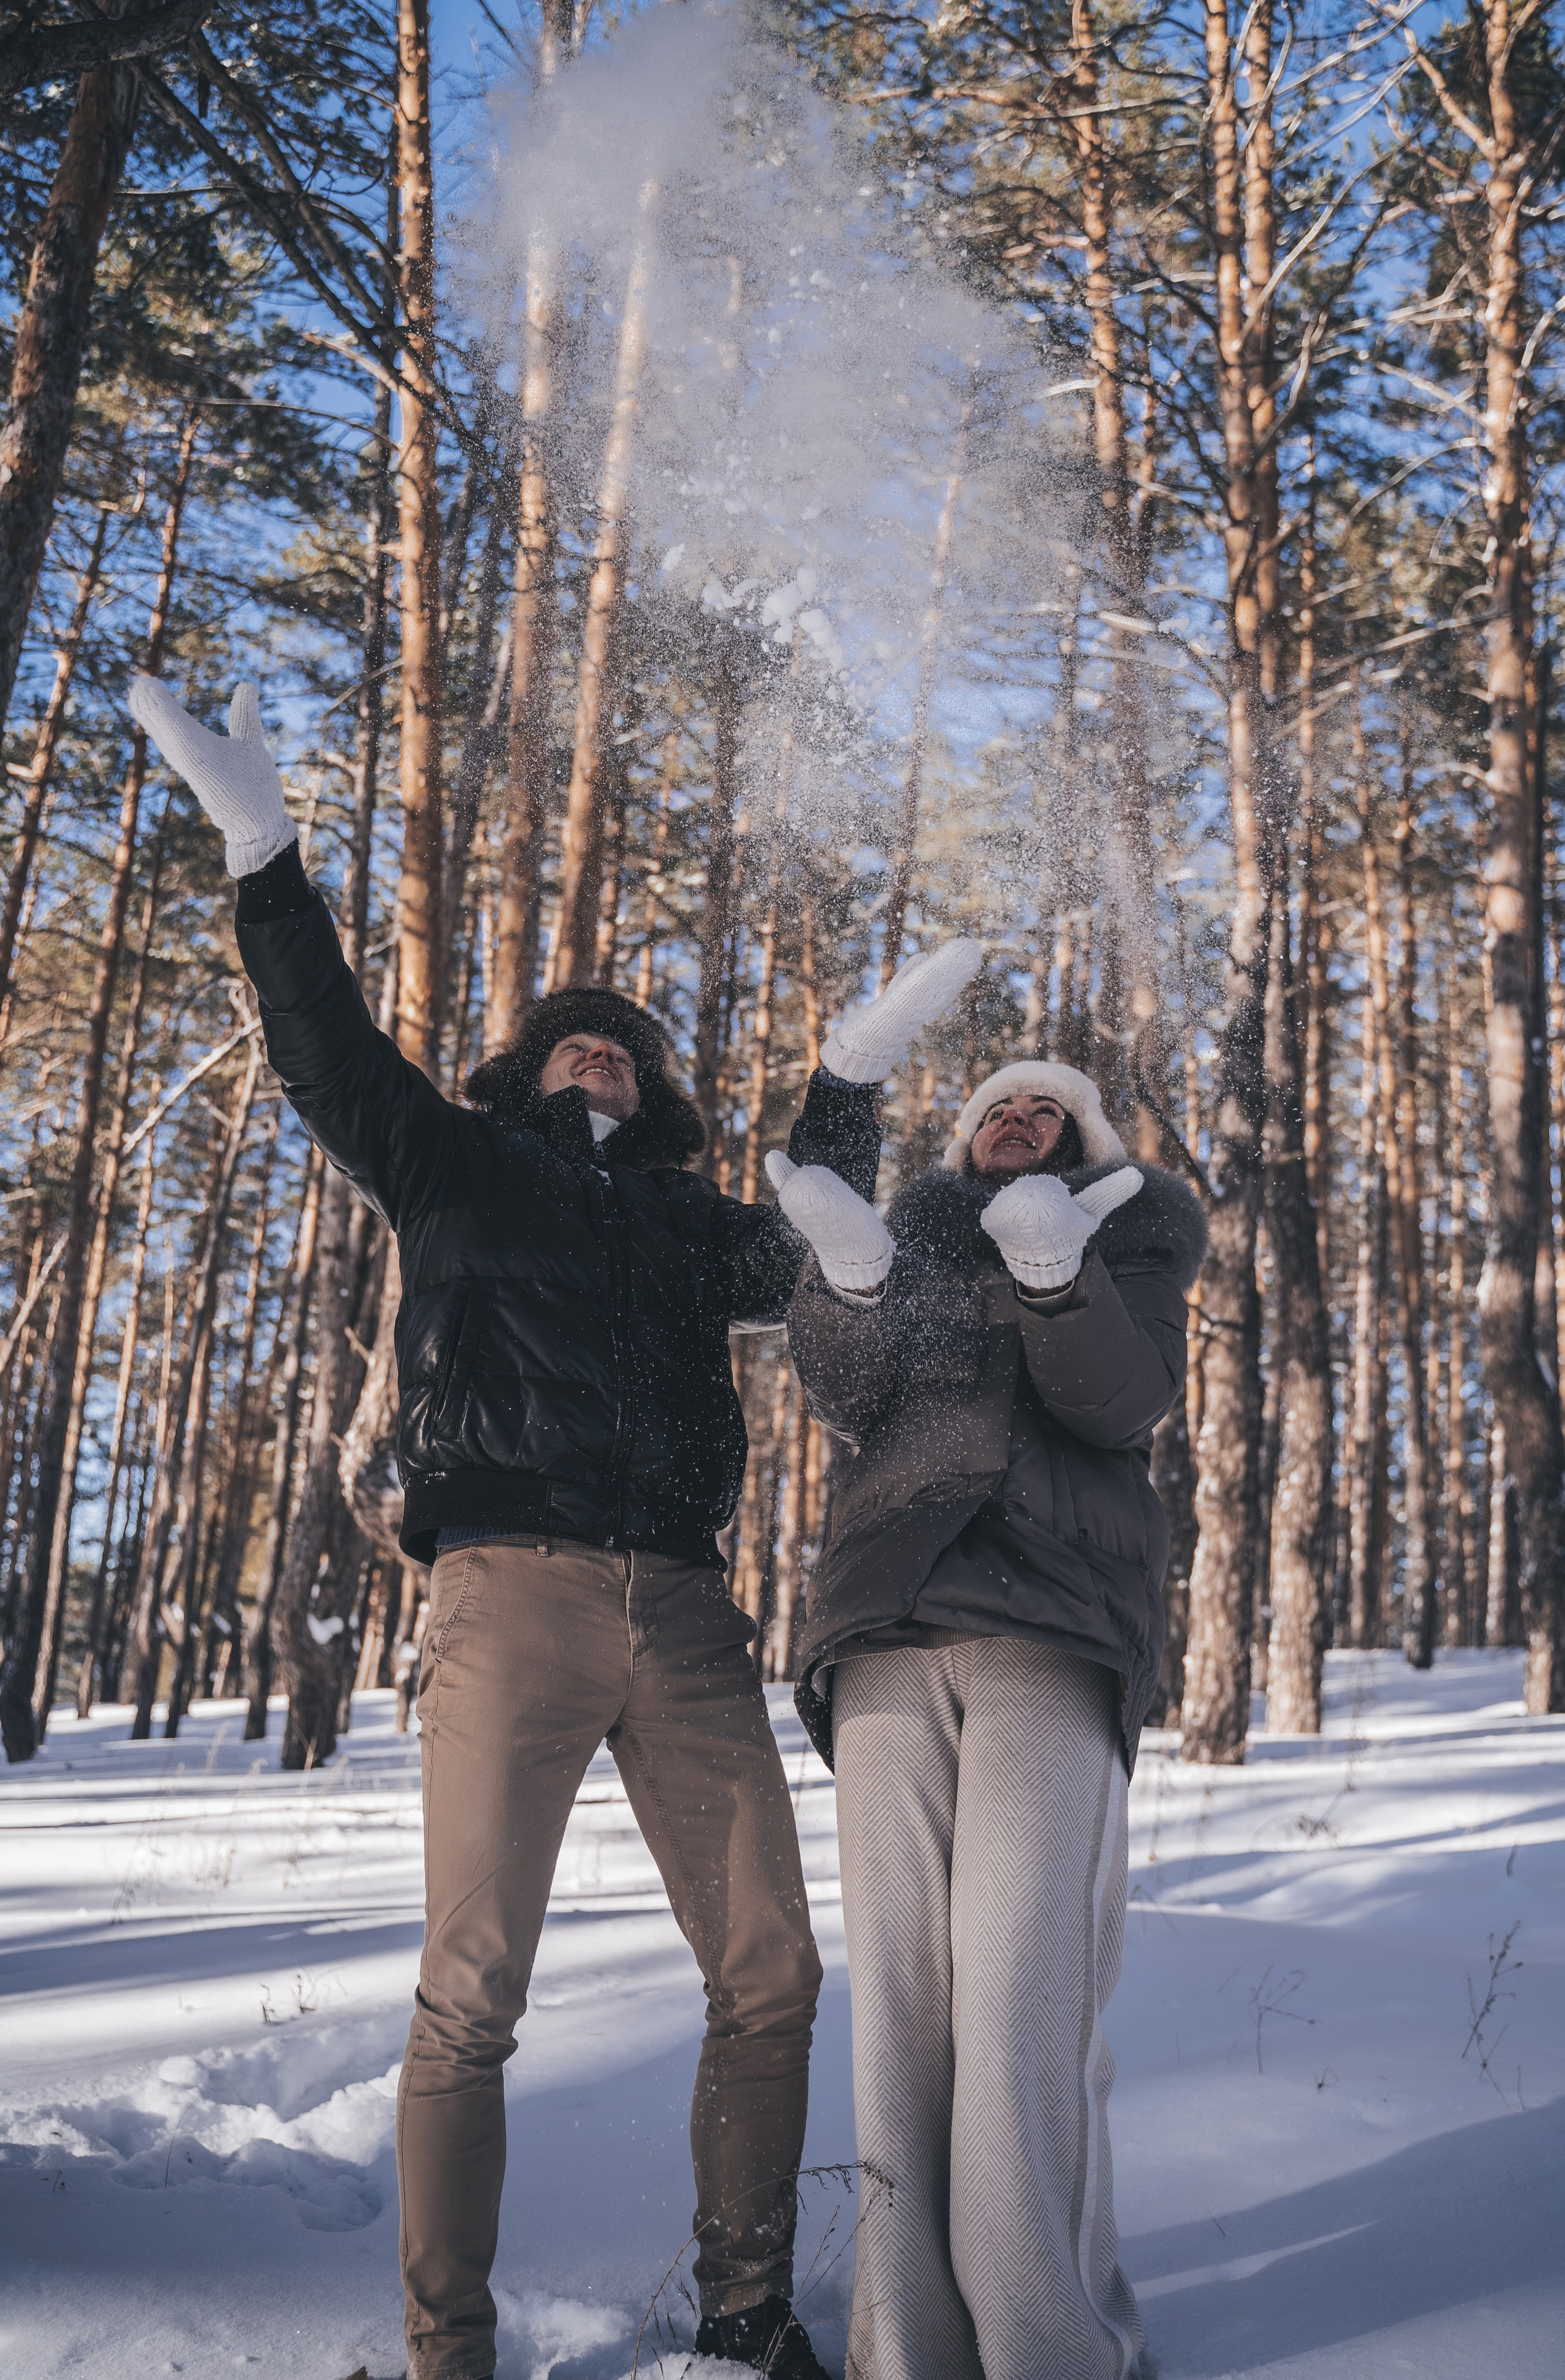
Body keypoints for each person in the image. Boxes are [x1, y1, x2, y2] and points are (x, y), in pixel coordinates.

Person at [125, 674, 982, 2380]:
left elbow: (827, 1249)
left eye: (630, 1039)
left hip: (681, 1611)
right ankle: (448, 2348)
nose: (606, 1041)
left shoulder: (690, 1228)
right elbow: (325, 1052)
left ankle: (747, 2310)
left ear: (653, 1094)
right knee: (475, 1987)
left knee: (775, 1969)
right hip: (505, 1590)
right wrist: (266, 854)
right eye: (574, 1030)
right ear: (520, 1072)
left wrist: (845, 1084)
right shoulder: (454, 1166)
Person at [766, 1051, 1206, 2380]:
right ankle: (903, 2354)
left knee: (1021, 1998)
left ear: (1082, 1149)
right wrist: (846, 1279)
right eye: (993, 1113)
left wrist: (1053, 1276)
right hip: (887, 1633)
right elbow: (847, 1393)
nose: (1016, 1122)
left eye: (1046, 1113)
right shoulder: (912, 1245)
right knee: (901, 2005)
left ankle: (1048, 2350)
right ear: (959, 1152)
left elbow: (1116, 1401)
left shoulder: (1129, 1247)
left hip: (1050, 1637)